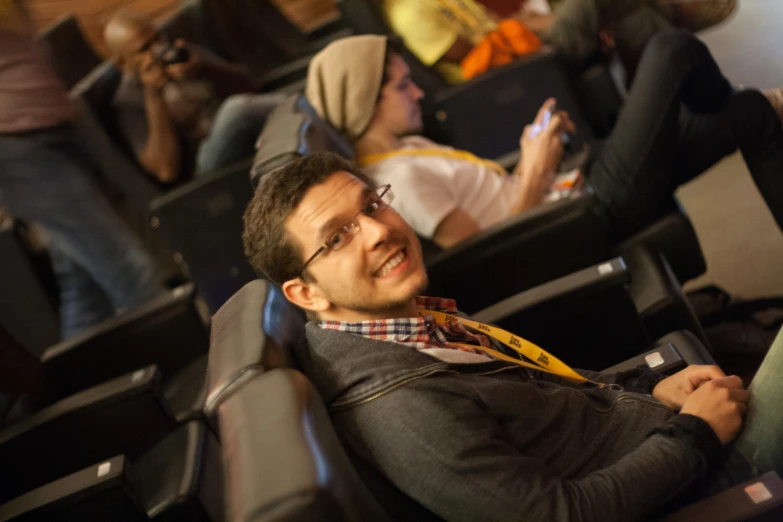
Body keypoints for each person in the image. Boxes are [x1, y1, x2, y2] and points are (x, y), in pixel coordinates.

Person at [243, 150, 783, 521]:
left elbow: (551, 395)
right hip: (700, 486)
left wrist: (646, 386)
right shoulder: (399, 408)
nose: (381, 230)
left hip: (656, 436)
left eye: (372, 205)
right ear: (306, 294)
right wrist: (694, 436)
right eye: (338, 237)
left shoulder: (403, 328)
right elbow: (561, 516)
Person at [304, 33, 783, 249]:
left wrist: (537, 159)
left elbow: (495, 202)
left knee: (751, 115)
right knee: (669, 49)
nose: (417, 92)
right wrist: (533, 167)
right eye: (401, 86)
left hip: (574, 188)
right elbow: (496, 254)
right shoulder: (397, 181)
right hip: (587, 213)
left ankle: (730, 103)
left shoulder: (404, 149)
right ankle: (712, 98)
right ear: (364, 99)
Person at [0, 1, 165, 339]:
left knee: (83, 285)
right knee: (129, 269)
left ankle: (90, 382)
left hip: (55, 128)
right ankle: (202, 373)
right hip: (20, 150)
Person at [104, 11, 285, 183]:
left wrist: (204, 67)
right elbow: (166, 171)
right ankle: (304, 103)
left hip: (241, 134)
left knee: (247, 111)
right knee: (237, 108)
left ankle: (301, 105)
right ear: (121, 63)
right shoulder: (127, 101)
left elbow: (250, 85)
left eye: (158, 37)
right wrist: (154, 95)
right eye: (145, 48)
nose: (158, 49)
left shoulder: (179, 54)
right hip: (203, 165)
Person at [376, 0, 676, 83]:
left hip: (531, 48)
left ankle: (664, 72)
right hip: (519, 72)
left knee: (625, 19)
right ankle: (676, 15)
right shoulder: (408, 14)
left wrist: (556, 23)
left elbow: (503, 24)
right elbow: (480, 52)